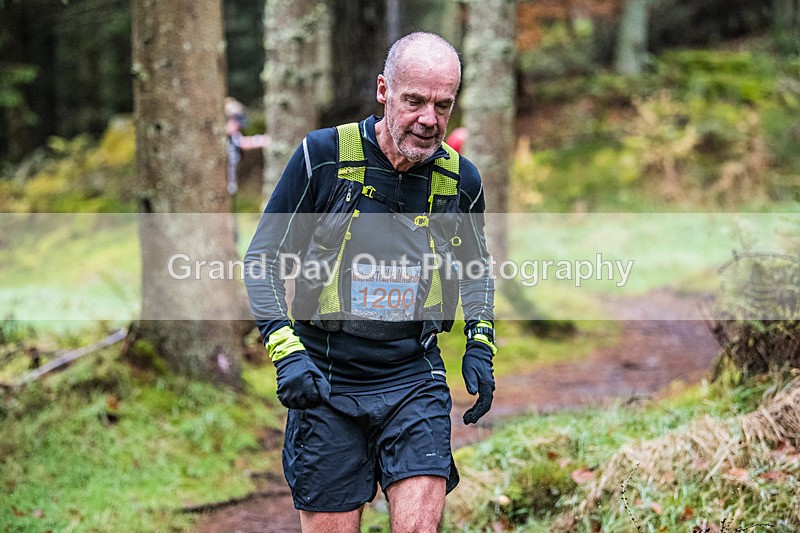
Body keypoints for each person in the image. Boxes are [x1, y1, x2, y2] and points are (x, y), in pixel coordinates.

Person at [244, 32, 496, 533]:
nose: (429, 119)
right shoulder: (323, 157)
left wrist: (481, 343)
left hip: (413, 376)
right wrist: (285, 350)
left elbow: (477, 270)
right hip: (325, 379)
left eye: (443, 105)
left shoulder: (460, 182)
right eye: (415, 101)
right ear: (384, 91)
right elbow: (262, 260)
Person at [225, 97, 270, 196]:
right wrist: (261, 140)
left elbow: (241, 141)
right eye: (233, 119)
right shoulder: (224, 138)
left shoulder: (233, 137)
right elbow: (244, 143)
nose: (237, 124)